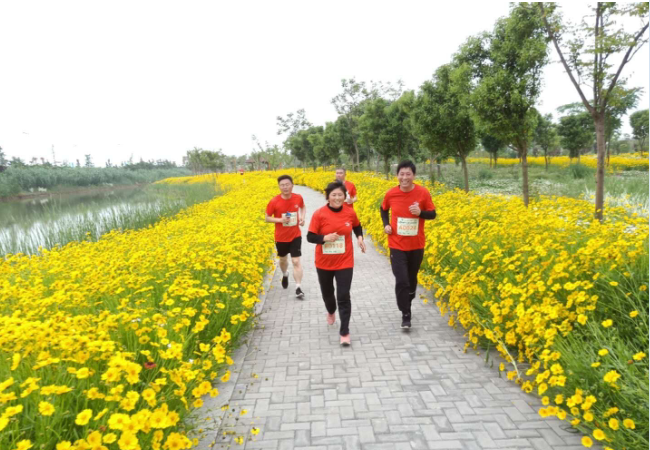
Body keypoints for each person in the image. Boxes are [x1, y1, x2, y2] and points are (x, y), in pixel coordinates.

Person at [308, 181, 366, 346]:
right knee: (328, 294)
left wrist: (359, 238)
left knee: (343, 295)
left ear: (345, 196)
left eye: (340, 194)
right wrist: (324, 238)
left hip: (345, 261)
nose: (337, 198)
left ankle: (345, 331)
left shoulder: (349, 212)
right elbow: (310, 237)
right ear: (328, 197)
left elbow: (357, 226)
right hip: (324, 262)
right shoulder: (319, 214)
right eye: (334, 195)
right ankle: (331, 311)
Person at [380, 161, 436, 329]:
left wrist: (420, 213)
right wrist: (386, 224)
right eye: (401, 174)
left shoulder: (423, 192)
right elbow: (383, 209)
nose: (404, 177)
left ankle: (409, 297)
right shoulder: (391, 194)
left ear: (414, 176)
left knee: (411, 279)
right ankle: (406, 313)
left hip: (416, 245)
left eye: (408, 174)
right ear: (397, 176)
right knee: (402, 279)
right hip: (396, 244)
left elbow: (432, 214)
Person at [265, 175, 306, 299]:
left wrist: (302, 217)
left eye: (287, 184)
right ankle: (285, 274)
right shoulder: (274, 201)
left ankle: (298, 287)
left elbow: (303, 207)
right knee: (283, 260)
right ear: (279, 187)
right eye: (282, 185)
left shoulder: (298, 197)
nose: (285, 187)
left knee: (296, 261)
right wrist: (280, 220)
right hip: (281, 237)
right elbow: (267, 218)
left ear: (292, 185)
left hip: (295, 235)